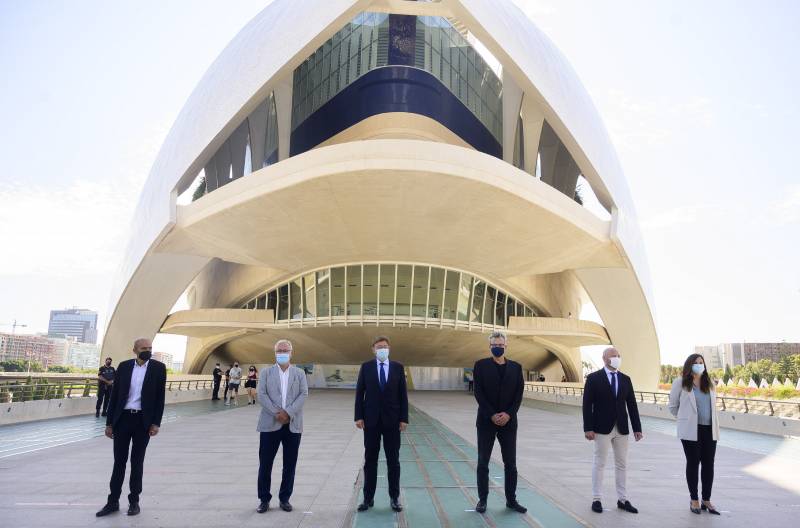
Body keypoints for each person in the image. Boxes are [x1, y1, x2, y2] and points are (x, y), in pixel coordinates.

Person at [96, 338, 166, 517]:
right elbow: (115, 396)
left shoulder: (158, 368)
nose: (148, 351)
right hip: (123, 420)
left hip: (143, 421)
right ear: (135, 350)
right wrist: (109, 423)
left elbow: (160, 398)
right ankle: (112, 502)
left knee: (137, 462)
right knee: (119, 462)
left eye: (150, 348)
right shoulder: (125, 367)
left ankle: (134, 501)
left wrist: (156, 423)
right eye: (144, 348)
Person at [582, 347, 642, 515]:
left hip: (622, 428)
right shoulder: (594, 378)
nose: (616, 358)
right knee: (599, 463)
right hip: (601, 428)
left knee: (622, 464)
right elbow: (587, 405)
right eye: (613, 356)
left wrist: (637, 428)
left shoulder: (625, 379)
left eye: (618, 355)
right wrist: (588, 428)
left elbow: (632, 405)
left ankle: (623, 499)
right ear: (604, 359)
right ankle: (597, 499)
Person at [472, 331, 527, 514]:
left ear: (506, 346)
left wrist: (508, 414)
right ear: (490, 346)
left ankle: (511, 500)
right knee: (482, 463)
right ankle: (482, 500)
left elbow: (518, 395)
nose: (498, 347)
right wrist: (492, 414)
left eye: (501, 345)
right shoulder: (480, 366)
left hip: (509, 423)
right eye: (495, 345)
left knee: (510, 464)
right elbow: (478, 393)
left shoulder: (516, 367)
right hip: (487, 421)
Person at [354, 336, 408, 513]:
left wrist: (403, 418)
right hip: (371, 421)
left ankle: (394, 498)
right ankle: (368, 498)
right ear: (373, 349)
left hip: (392, 422)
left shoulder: (398, 367)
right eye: (379, 347)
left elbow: (403, 395)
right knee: (370, 460)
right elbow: (359, 393)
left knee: (393, 461)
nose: (382, 349)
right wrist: (358, 416)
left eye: (385, 347)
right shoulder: (366, 367)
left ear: (389, 348)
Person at [255, 340, 308, 513]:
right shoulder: (266, 373)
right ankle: (264, 499)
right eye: (279, 350)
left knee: (290, 464)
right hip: (270, 424)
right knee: (265, 463)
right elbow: (261, 394)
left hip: (293, 425)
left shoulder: (299, 373)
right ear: (275, 352)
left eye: (286, 350)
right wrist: (277, 413)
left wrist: (288, 413)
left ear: (292, 353)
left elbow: (303, 394)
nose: (282, 353)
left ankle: (285, 499)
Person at [668, 354, 721, 515]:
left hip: (709, 429)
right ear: (689, 365)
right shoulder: (681, 383)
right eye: (696, 363)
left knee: (708, 464)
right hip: (691, 430)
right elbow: (673, 406)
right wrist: (685, 419)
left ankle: (706, 499)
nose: (699, 365)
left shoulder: (709, 383)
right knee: (693, 463)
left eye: (701, 363)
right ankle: (694, 499)